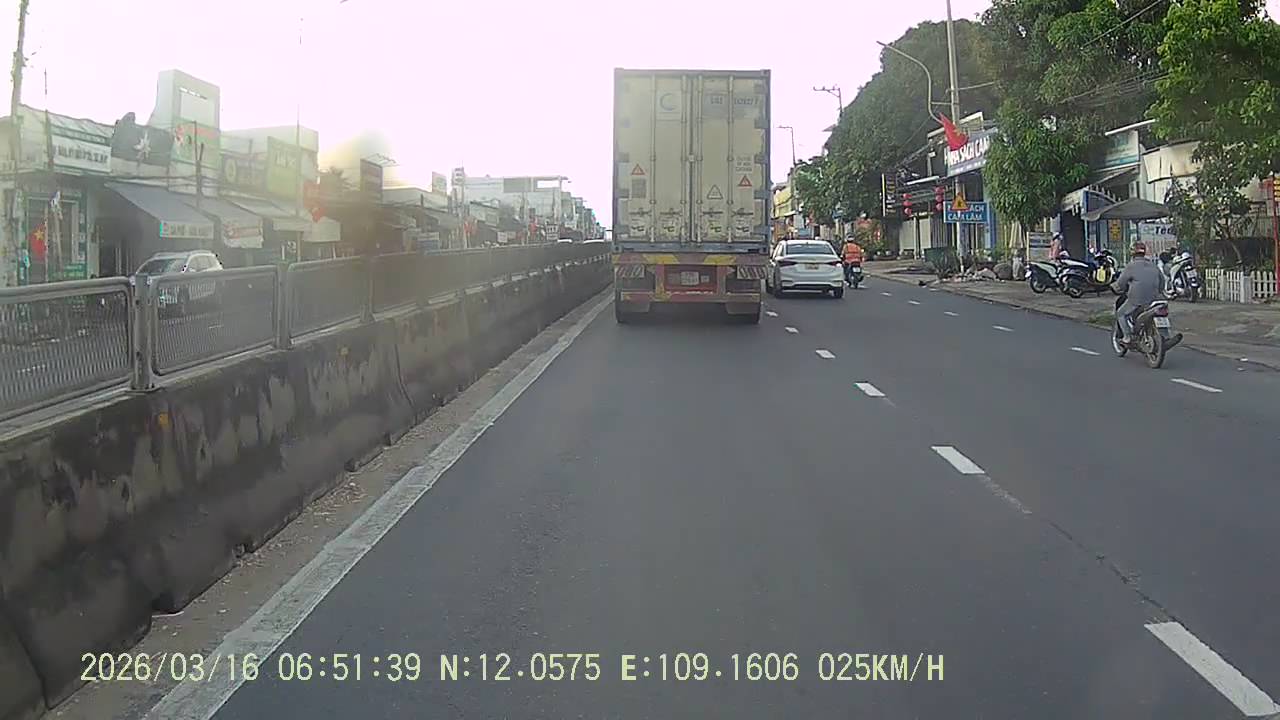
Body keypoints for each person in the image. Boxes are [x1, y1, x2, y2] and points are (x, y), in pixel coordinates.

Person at [1113, 241, 1163, 344]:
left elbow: (1121, 283)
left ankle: (1127, 337)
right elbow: (1162, 282)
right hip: (1154, 299)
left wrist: (1117, 288)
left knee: (1121, 314)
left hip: (1137, 299)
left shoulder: (1131, 266)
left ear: (1132, 253)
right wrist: (1159, 292)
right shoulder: (1153, 265)